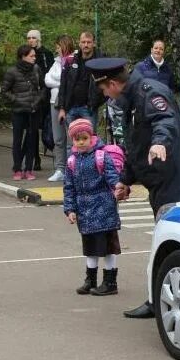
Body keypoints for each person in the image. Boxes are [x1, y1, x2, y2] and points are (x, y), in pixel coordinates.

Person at [85, 57, 180, 319]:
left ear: (114, 84)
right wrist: (125, 180)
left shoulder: (149, 93)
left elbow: (165, 120)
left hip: (176, 185)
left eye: (105, 90)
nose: (106, 96)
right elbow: (136, 146)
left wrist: (160, 142)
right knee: (165, 244)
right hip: (159, 183)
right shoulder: (132, 100)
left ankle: (167, 302)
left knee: (174, 247)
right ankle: (158, 299)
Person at [63, 119, 121, 296]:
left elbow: (112, 176)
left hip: (105, 208)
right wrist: (70, 209)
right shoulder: (72, 161)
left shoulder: (102, 156)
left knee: (109, 247)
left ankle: (110, 282)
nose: (80, 142)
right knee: (89, 247)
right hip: (85, 211)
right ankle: (91, 280)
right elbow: (69, 187)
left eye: (84, 138)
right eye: (76, 139)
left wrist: (119, 187)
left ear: (91, 137)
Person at [1, 45, 44, 180]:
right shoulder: (12, 72)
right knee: (17, 139)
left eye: (35, 56)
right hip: (19, 110)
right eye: (31, 56)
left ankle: (29, 169)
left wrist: (38, 100)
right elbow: (4, 91)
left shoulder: (36, 69)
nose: (34, 58)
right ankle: (17, 168)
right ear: (23, 56)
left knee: (32, 140)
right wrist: (17, 100)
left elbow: (43, 87)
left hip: (33, 109)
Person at [57, 31, 104, 129]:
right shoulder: (70, 60)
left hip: (89, 109)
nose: (85, 45)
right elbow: (63, 85)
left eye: (88, 42)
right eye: (83, 42)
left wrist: (95, 103)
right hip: (70, 107)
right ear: (79, 43)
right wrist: (62, 108)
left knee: (90, 141)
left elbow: (106, 85)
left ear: (94, 43)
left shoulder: (100, 61)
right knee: (72, 143)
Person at [45, 34, 75, 182]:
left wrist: (60, 80)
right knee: (58, 138)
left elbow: (71, 81)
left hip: (69, 102)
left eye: (58, 46)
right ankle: (59, 169)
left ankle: (70, 170)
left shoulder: (75, 60)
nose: (56, 49)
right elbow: (47, 79)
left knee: (70, 138)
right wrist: (61, 81)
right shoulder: (56, 62)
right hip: (54, 101)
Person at [27, 29, 55, 170]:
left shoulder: (46, 54)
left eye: (33, 38)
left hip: (46, 96)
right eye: (29, 38)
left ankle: (55, 158)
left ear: (38, 39)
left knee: (47, 129)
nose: (31, 40)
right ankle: (35, 159)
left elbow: (50, 73)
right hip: (31, 97)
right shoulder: (24, 54)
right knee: (32, 131)